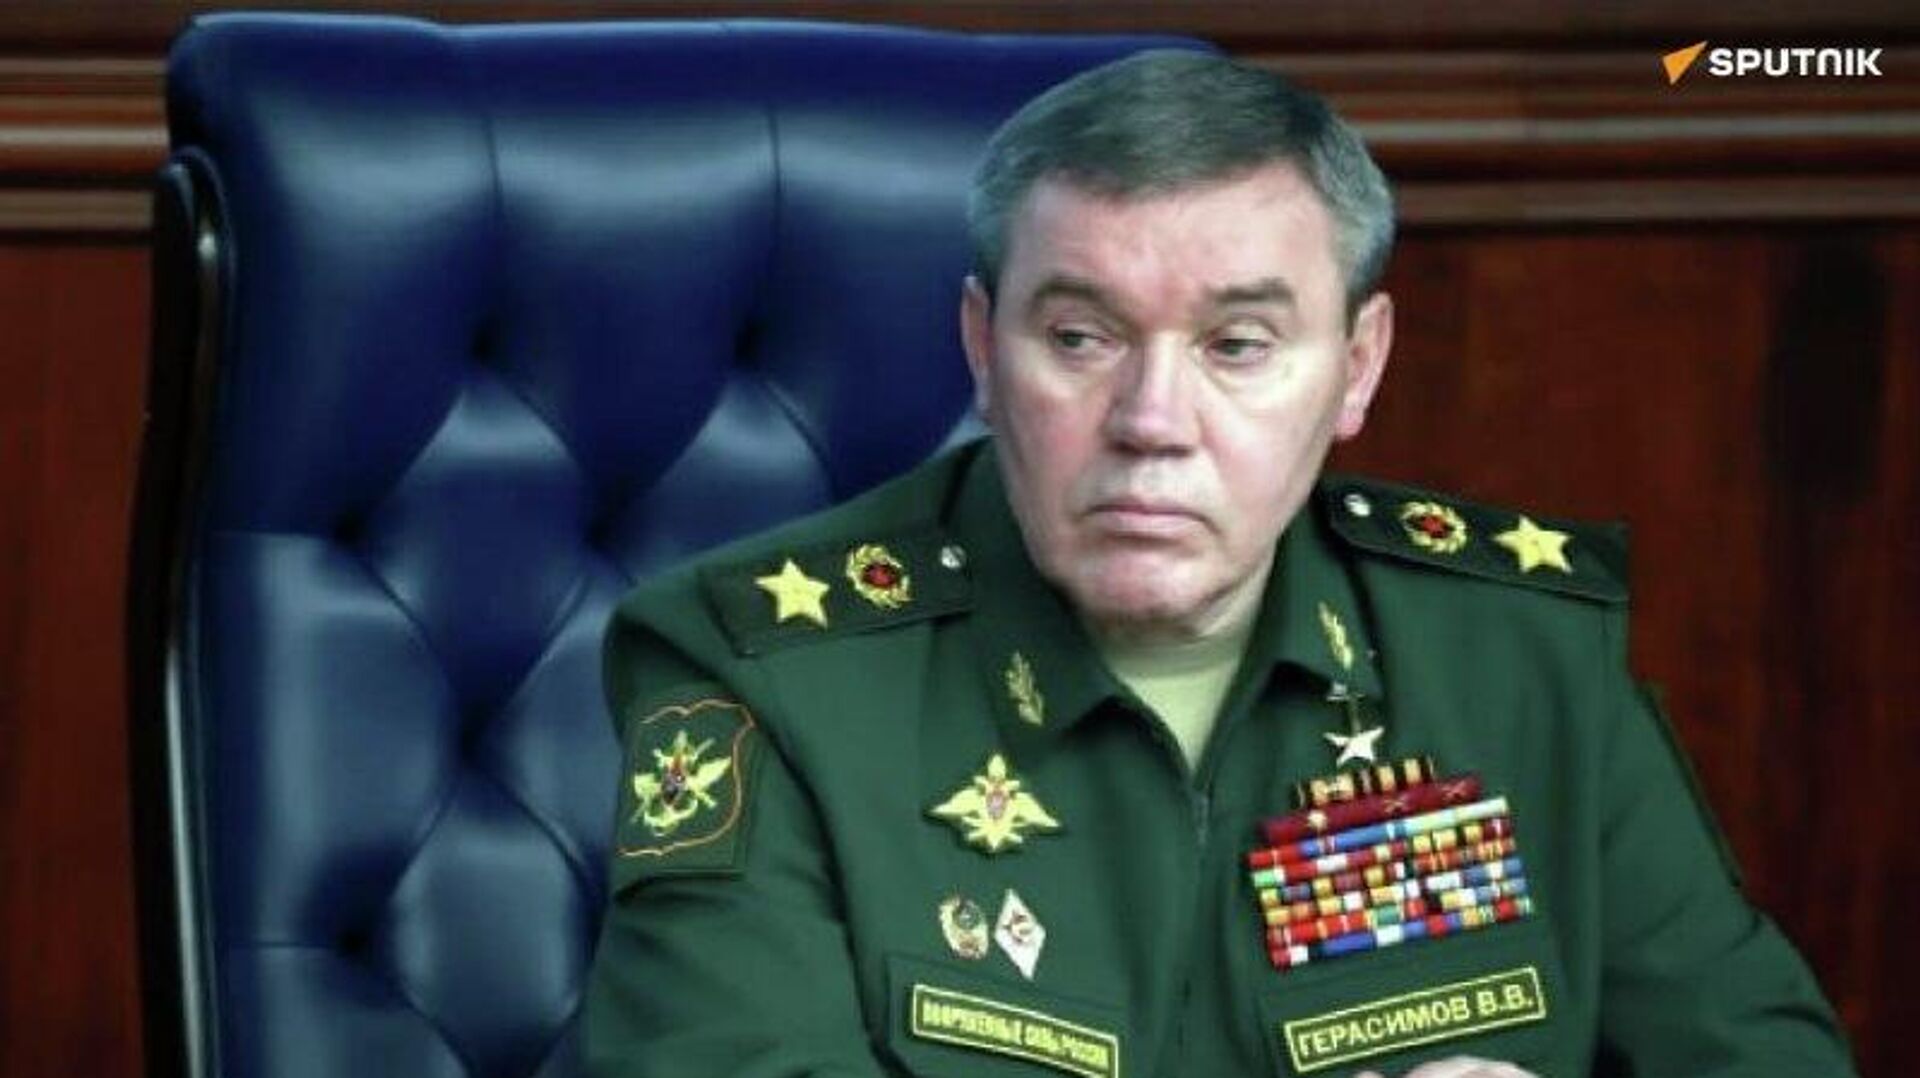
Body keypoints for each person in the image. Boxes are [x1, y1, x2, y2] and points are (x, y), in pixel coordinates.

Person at [585, 51, 1856, 1078]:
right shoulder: (765, 674)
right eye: (1080, 337)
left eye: (1237, 345)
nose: (1153, 420)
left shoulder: (1522, 657)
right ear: (982, 347)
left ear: (1357, 366)